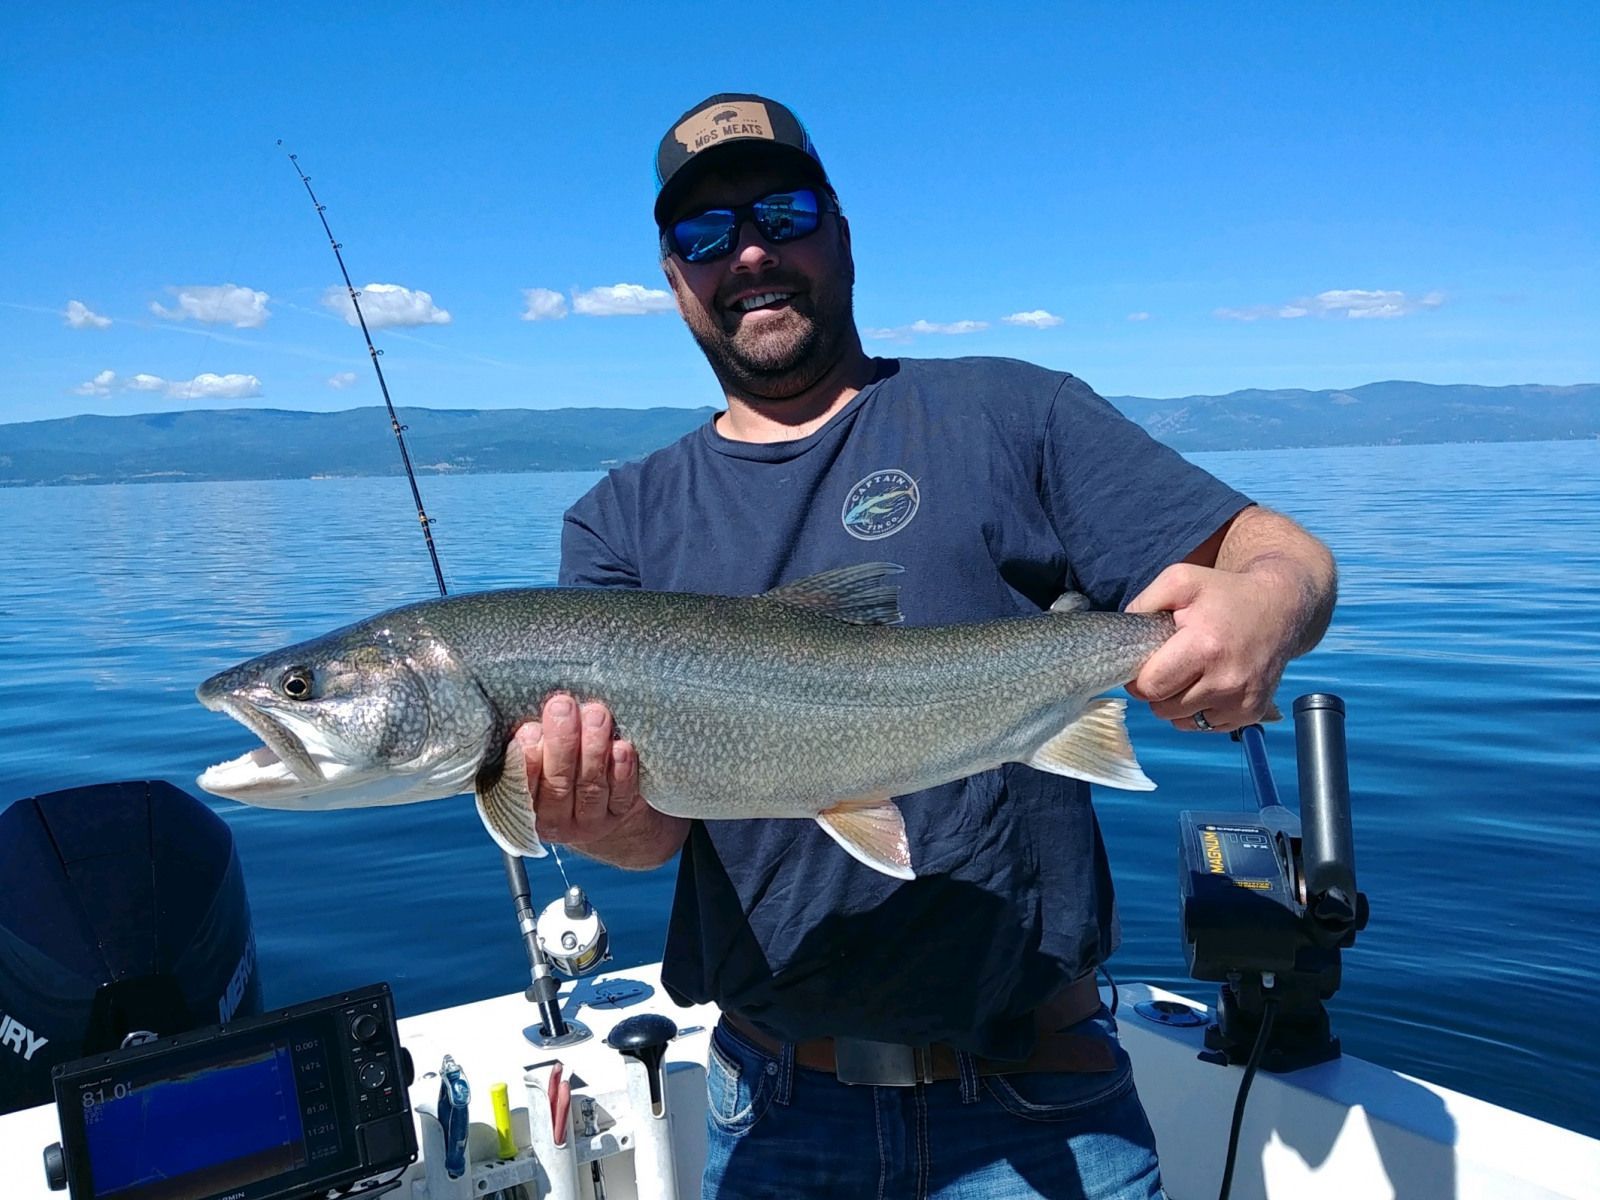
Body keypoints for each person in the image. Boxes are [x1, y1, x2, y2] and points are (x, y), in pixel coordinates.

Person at [513, 93, 1336, 1200]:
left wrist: (1267, 606)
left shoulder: (1010, 413)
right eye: (704, 237)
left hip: (1047, 1099)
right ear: (674, 280)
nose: (749, 251)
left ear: (840, 231)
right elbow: (655, 836)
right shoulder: (619, 521)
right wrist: (597, 823)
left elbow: (1279, 550)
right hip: (776, 1110)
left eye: (781, 212)